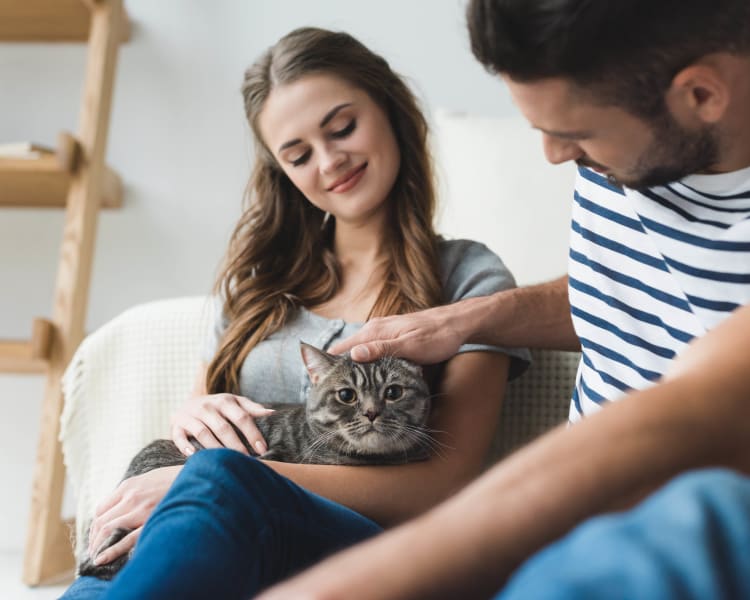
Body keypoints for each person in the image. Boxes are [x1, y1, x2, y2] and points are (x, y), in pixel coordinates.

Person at [257, 1, 750, 598]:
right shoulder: (625, 153)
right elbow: (629, 289)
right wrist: (468, 319)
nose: (553, 155)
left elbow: (701, 411)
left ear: (700, 95)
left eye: (574, 134)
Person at [59, 26, 529, 599]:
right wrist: (192, 433)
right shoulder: (258, 288)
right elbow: (193, 423)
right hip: (208, 532)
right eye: (299, 154)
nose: (330, 161)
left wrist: (225, 479)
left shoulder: (468, 279)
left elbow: (444, 483)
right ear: (282, 171)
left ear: (390, 109)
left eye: (342, 128)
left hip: (364, 548)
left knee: (215, 479)